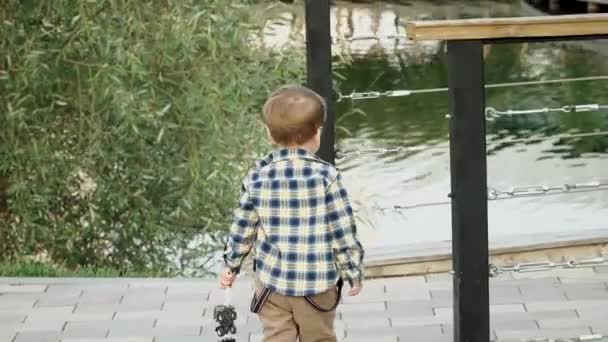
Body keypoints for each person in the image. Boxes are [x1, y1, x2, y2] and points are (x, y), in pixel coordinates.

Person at [220, 85, 365, 342]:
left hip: (272, 285)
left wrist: (231, 265)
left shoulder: (257, 177)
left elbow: (242, 228)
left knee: (276, 336)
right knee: (319, 337)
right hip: (316, 286)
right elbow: (342, 232)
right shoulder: (327, 177)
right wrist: (352, 271)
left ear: (269, 134)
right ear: (317, 133)